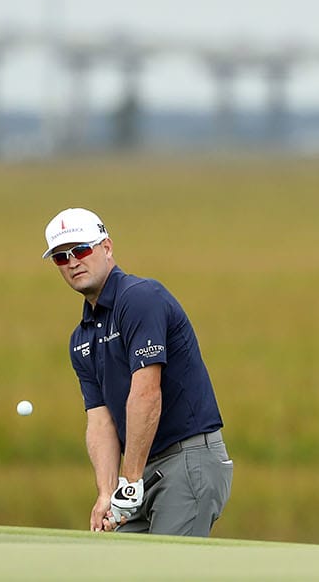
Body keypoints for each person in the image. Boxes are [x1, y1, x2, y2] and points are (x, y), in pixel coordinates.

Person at [41, 206, 232, 536]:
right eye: (61, 257)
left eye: (81, 250)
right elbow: (101, 420)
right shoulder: (81, 337)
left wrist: (128, 483)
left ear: (106, 247)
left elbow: (146, 393)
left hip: (187, 459)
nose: (72, 262)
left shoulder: (140, 298)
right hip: (143, 469)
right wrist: (107, 492)